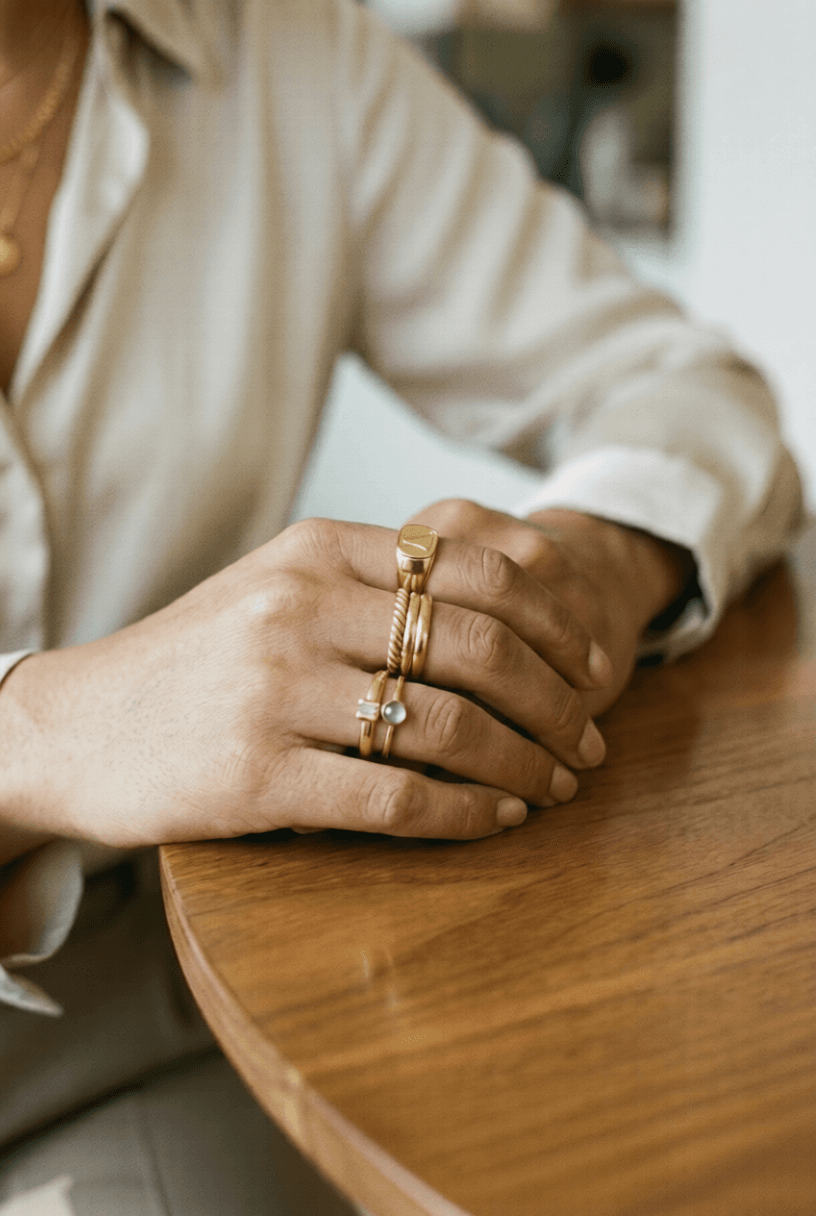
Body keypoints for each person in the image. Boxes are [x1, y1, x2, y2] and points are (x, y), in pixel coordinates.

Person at [0, 0, 803, 1210]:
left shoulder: (291, 52)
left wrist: (580, 568)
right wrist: (49, 731)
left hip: (159, 1015)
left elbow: (687, 388)